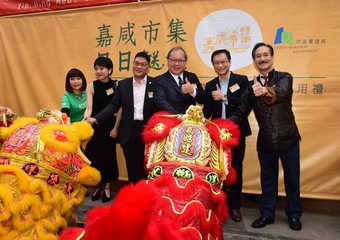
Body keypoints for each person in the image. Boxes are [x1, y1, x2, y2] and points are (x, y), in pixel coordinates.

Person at [230, 42, 302, 230]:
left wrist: (265, 90)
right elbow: (240, 112)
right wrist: (221, 125)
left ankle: (294, 215)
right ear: (254, 61)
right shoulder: (250, 86)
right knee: (267, 179)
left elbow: (281, 91)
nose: (262, 59)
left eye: (265, 55)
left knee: (292, 178)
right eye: (258, 56)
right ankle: (267, 214)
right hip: (266, 141)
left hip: (289, 138)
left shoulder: (285, 77)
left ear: (271, 57)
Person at [86, 52, 158, 184]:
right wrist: (96, 119)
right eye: (136, 63)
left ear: (148, 67)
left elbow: (161, 105)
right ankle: (133, 195)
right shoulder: (123, 84)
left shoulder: (155, 84)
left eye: (143, 64)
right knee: (131, 166)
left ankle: (145, 195)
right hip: (128, 131)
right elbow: (113, 105)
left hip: (148, 130)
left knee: (147, 166)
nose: (139, 67)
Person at [203, 49, 251, 222]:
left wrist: (225, 97)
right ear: (213, 65)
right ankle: (218, 205)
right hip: (216, 135)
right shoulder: (210, 85)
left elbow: (246, 105)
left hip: (235, 133)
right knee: (216, 170)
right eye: (217, 63)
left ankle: (235, 206)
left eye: (223, 62)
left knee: (235, 169)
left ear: (230, 62)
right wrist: (197, 119)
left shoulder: (242, 81)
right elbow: (207, 110)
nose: (220, 65)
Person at [83, 57, 122, 203]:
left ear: (110, 70)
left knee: (108, 158)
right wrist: (86, 120)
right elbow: (89, 108)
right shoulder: (91, 86)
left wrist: (116, 127)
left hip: (110, 127)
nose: (98, 72)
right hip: (95, 126)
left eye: (102, 69)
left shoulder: (117, 85)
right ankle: (98, 186)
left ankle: (107, 187)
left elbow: (119, 109)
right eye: (96, 69)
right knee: (95, 157)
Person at [153, 46, 205, 114]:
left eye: (180, 60)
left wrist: (193, 91)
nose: (176, 64)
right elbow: (161, 103)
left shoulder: (192, 77)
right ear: (168, 61)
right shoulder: (159, 80)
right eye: (173, 60)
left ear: (185, 62)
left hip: (191, 122)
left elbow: (203, 99)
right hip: (170, 121)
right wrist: (179, 116)